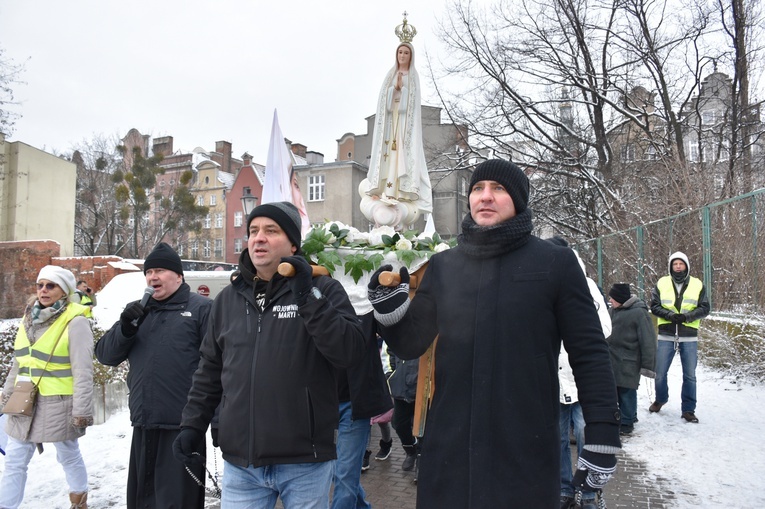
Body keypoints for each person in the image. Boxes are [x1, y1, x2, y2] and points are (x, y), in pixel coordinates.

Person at [367, 159, 622, 507]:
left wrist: (602, 433)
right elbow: (411, 344)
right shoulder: (444, 266)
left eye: (498, 189)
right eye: (477, 189)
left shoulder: (554, 264)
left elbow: (590, 353)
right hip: (449, 448)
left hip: (524, 447)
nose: (485, 197)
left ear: (518, 199)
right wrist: (389, 313)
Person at [172, 201, 365, 509]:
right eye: (253, 231)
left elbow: (350, 352)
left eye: (270, 231)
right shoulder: (227, 300)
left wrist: (306, 297)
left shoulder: (323, 290)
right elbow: (209, 371)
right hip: (242, 464)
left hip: (305, 461)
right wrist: (192, 425)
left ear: (292, 243)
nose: (258, 238)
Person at [95, 242, 212, 509]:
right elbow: (105, 356)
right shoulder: (137, 310)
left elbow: (218, 366)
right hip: (144, 423)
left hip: (183, 428)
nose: (152, 277)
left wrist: (216, 420)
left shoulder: (201, 309)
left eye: (160, 270)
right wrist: (125, 328)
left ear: (179, 276)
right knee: (142, 501)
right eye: (148, 272)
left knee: (176, 503)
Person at [0, 265, 94, 509]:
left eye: (50, 285)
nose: (43, 290)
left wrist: (82, 411)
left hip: (59, 402)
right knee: (14, 460)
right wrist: (7, 396)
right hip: (25, 400)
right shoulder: (28, 316)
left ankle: (79, 500)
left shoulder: (76, 321)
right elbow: (18, 362)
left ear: (64, 290)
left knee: (67, 454)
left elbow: (83, 370)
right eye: (40, 285)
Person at [547, 237, 613, 509]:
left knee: (587, 435)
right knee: (558, 438)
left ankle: (589, 493)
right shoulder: (543, 286)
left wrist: (575, 337)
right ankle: (563, 489)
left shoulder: (586, 287)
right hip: (554, 379)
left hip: (581, 379)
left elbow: (604, 328)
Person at [359, 22, 432, 229]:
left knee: (402, 158)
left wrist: (403, 91)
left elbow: (412, 107)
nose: (402, 55)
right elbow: (384, 104)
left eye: (405, 53)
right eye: (400, 52)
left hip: (403, 129)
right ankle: (385, 189)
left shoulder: (413, 77)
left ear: (411, 56)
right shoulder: (390, 76)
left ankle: (399, 191)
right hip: (390, 127)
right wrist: (394, 90)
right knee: (389, 159)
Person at [332, 314, 392, 509]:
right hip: (321, 400)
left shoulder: (366, 301)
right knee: (337, 472)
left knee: (344, 474)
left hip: (355, 401)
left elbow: (396, 336)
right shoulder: (314, 294)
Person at [649, 251, 710, 423]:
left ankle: (688, 410)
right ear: (671, 266)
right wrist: (669, 315)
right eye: (675, 264)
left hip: (688, 334)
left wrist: (687, 317)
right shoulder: (662, 282)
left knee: (689, 375)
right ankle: (661, 399)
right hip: (666, 332)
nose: (678, 266)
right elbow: (654, 306)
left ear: (686, 266)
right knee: (660, 372)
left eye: (681, 264)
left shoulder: (697, 284)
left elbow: (705, 308)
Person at [607, 283, 657, 435]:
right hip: (612, 358)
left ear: (620, 299)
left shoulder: (639, 314)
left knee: (627, 390)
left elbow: (648, 340)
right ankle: (624, 417)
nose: (610, 300)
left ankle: (627, 422)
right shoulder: (612, 311)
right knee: (615, 390)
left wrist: (648, 365)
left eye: (612, 297)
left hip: (629, 360)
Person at [386, 343, 420, 477]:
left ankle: (422, 459)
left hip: (424, 387)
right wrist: (391, 376)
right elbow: (388, 352)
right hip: (402, 386)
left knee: (424, 425)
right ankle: (411, 450)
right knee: (399, 424)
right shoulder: (398, 326)